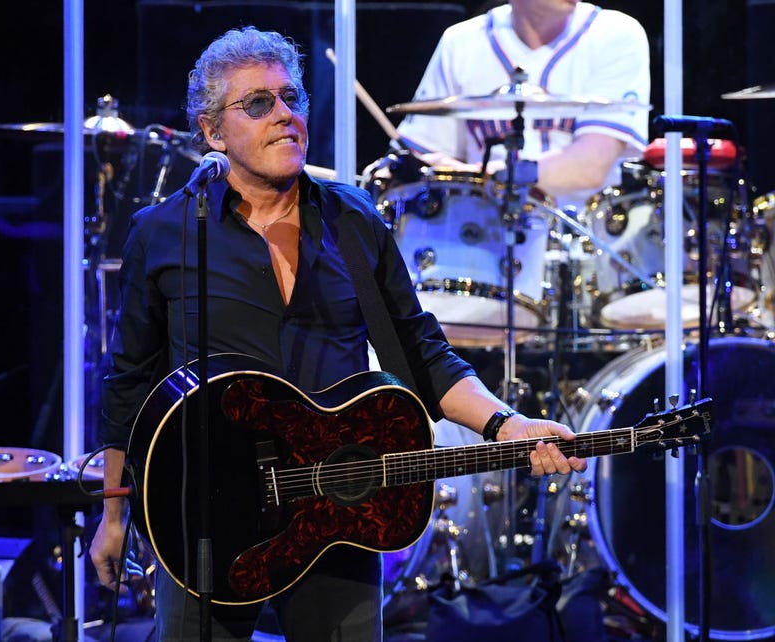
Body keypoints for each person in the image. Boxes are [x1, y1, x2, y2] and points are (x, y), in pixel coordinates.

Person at [89, 25, 586, 642]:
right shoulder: (165, 231)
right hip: (208, 518)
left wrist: (508, 426)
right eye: (259, 104)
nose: (286, 116)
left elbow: (419, 354)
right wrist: (114, 514)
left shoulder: (354, 220)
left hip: (338, 510)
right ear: (213, 130)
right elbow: (129, 382)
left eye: (292, 97)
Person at [388, 0, 651, 210]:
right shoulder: (461, 41)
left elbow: (590, 167)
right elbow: (421, 159)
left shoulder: (616, 34)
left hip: (584, 247)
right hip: (480, 239)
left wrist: (479, 176)